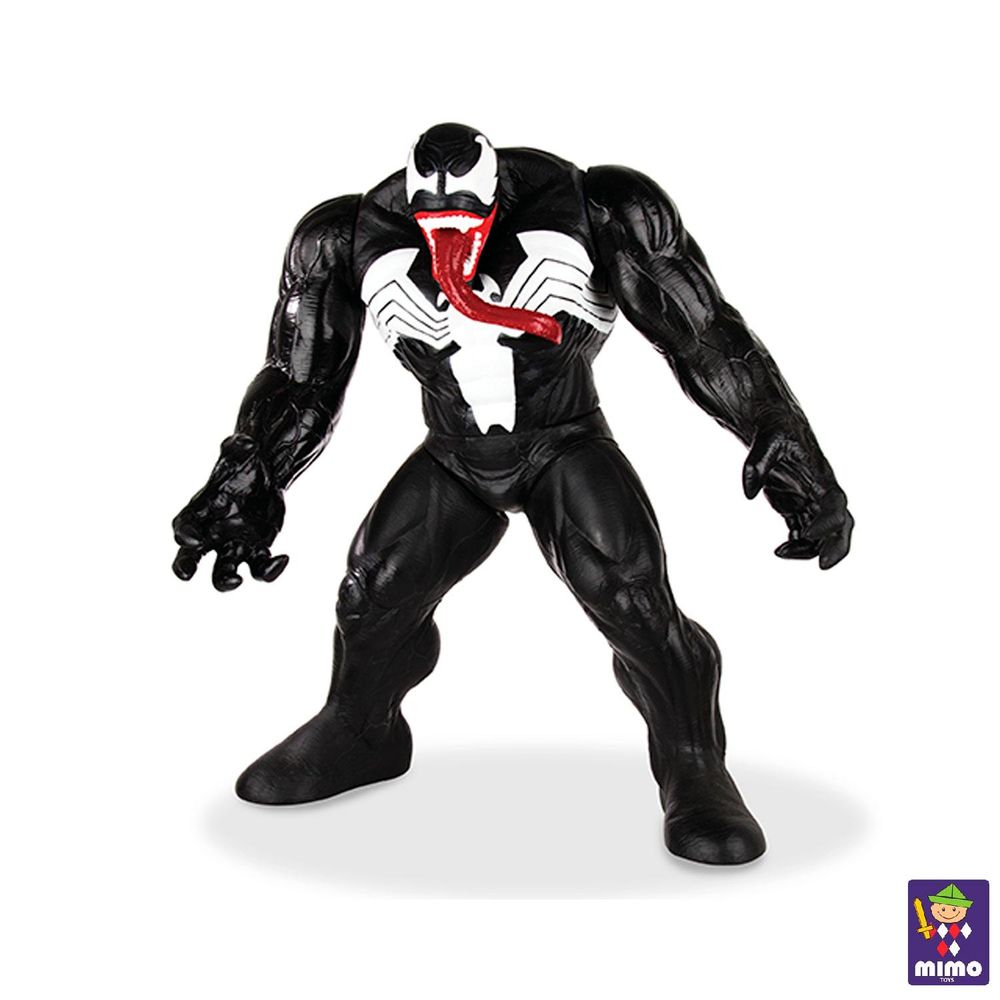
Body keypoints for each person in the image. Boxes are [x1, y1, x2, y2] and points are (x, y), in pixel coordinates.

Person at [172, 123, 853, 865]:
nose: (449, 234)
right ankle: (360, 729)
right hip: (454, 452)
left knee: (629, 595)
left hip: (564, 441)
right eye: (431, 218)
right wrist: (249, 473)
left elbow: (703, 335)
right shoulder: (346, 237)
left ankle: (693, 762)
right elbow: (300, 376)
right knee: (371, 590)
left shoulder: (595, 207)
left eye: (466, 214)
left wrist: (782, 432)